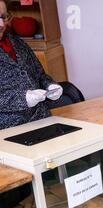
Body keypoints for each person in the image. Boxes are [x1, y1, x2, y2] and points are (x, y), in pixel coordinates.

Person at [0, 0, 63, 130]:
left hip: (43, 120)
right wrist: (24, 98)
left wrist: (50, 85)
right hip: (9, 130)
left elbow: (40, 75)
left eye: (3, 17)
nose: (1, 24)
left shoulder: (17, 42)